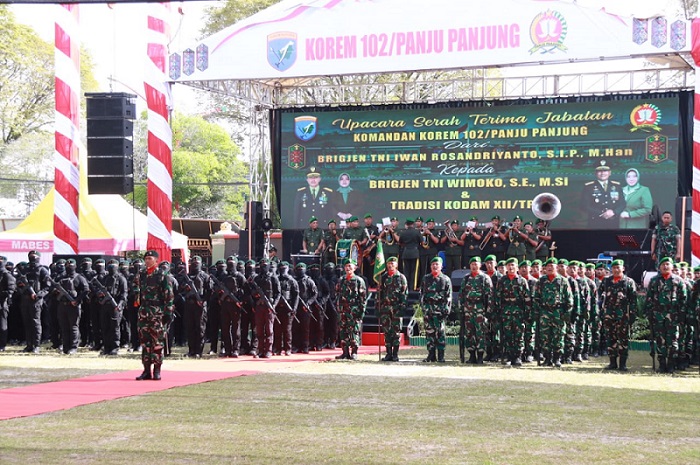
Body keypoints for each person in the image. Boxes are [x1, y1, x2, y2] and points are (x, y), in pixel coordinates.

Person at [134, 250, 174, 381]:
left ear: (156, 260)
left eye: (150, 258)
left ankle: (157, 370)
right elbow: (136, 290)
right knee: (145, 342)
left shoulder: (163, 275)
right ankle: (146, 370)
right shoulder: (141, 275)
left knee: (157, 342)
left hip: (157, 312)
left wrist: (168, 312)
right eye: (145, 259)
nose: (147, 261)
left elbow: (169, 295)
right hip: (144, 311)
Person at [645, 256, 687, 373]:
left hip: (673, 317)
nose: (665, 266)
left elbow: (683, 299)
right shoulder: (654, 281)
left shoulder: (678, 281)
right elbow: (649, 299)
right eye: (663, 265)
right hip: (658, 316)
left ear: (672, 266)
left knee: (673, 342)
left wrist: (681, 316)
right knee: (660, 341)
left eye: (668, 264)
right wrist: (649, 313)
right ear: (659, 267)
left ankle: (671, 364)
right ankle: (662, 364)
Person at [533, 257, 573, 367]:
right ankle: (547, 358)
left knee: (558, 336)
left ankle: (557, 358)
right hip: (545, 312)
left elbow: (569, 298)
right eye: (548, 266)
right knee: (545, 336)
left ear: (556, 267)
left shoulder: (563, 281)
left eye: (552, 266)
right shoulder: (541, 281)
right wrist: (536, 312)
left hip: (558, 312)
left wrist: (567, 313)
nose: (550, 268)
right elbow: (536, 297)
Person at [598, 259, 637, 371]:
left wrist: (632, 315)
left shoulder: (628, 281)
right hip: (609, 315)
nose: (615, 270)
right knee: (610, 338)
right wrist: (601, 311)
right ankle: (612, 363)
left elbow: (633, 300)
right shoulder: (606, 281)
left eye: (618, 267)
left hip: (623, 316)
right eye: (614, 268)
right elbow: (600, 296)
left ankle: (622, 364)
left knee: (623, 339)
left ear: (623, 268)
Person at [494, 257, 531, 366]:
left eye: (513, 265)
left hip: (518, 311)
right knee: (507, 334)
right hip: (506, 311)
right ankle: (509, 356)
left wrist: (527, 313)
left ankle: (518, 356)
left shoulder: (522, 281)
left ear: (517, 268)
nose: (511, 267)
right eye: (509, 265)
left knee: (519, 335)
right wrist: (498, 311)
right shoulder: (502, 281)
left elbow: (527, 298)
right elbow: (497, 297)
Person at [457, 256, 493, 364]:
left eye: (476, 264)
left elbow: (490, 295)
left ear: (480, 265)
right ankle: (472, 355)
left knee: (480, 333)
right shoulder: (466, 278)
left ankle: (481, 355)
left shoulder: (485, 278)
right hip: (468, 309)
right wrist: (461, 308)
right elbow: (461, 295)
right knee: (469, 333)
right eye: (472, 264)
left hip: (480, 309)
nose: (474, 266)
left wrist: (488, 311)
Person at [420, 256, 452, 363]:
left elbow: (448, 297)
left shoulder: (446, 279)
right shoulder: (426, 278)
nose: (435, 266)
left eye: (437, 264)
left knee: (440, 334)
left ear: (441, 266)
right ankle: (431, 355)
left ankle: (441, 356)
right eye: (433, 264)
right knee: (429, 334)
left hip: (440, 311)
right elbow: (422, 295)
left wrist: (446, 310)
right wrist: (424, 308)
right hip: (429, 310)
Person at [54, 258, 89, 355]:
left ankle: (73, 347)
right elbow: (53, 289)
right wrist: (57, 292)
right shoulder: (61, 277)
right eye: (68, 266)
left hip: (73, 306)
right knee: (64, 327)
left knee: (73, 327)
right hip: (62, 305)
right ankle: (66, 347)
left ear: (75, 266)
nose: (69, 267)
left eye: (71, 265)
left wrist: (77, 300)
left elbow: (86, 290)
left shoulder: (79, 278)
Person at [18, 250, 50, 353]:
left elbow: (48, 287)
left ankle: (36, 345)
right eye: (31, 256)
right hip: (25, 300)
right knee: (27, 323)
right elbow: (18, 283)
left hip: (36, 300)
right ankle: (29, 345)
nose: (33, 257)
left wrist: (38, 295)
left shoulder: (42, 270)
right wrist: (22, 287)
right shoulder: (25, 270)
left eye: (35, 256)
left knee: (35, 323)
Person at [335, 258, 367, 360]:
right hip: (343, 311)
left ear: (354, 267)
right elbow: (337, 294)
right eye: (346, 266)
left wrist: (361, 312)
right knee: (343, 331)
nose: (348, 268)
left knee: (354, 332)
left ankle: (354, 352)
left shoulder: (359, 281)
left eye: (350, 266)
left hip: (354, 311)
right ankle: (345, 352)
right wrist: (339, 308)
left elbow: (363, 298)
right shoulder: (341, 280)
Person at [377, 256, 408, 362]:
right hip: (385, 309)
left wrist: (402, 308)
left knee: (396, 332)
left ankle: (395, 354)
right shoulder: (384, 277)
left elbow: (404, 294)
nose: (390, 265)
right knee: (387, 332)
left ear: (396, 265)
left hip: (396, 309)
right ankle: (388, 353)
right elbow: (379, 293)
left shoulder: (401, 278)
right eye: (389, 263)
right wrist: (378, 307)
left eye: (392, 263)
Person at [251, 258, 281, 358]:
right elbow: (252, 292)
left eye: (265, 265)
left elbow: (278, 293)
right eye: (262, 265)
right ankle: (260, 350)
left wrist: (273, 305)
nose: (264, 267)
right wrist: (256, 295)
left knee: (269, 329)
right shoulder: (257, 278)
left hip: (269, 307)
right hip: (259, 306)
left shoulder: (273, 278)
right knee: (259, 330)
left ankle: (268, 350)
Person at [97, 260, 128, 356]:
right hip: (105, 305)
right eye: (110, 265)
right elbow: (99, 291)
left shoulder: (121, 279)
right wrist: (100, 295)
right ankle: (107, 347)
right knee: (105, 326)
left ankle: (115, 347)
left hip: (115, 306)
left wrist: (119, 304)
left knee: (114, 327)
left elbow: (124, 293)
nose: (111, 267)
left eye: (113, 265)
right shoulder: (105, 278)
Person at [581, 161, 625, 228]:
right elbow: (584, 205)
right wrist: (601, 213)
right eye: (599, 171)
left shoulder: (617, 186)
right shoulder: (588, 187)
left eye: (605, 171)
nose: (602, 173)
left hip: (613, 222)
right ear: (595, 173)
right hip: (595, 222)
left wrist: (614, 212)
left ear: (610, 173)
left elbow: (622, 203)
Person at [274, 262, 298, 356]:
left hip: (288, 308)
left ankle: (288, 348)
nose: (283, 270)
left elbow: (296, 296)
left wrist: (294, 308)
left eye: (284, 268)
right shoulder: (276, 280)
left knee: (287, 330)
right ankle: (278, 348)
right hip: (277, 308)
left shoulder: (292, 281)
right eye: (281, 268)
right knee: (277, 329)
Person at [399, 217, 422, 291]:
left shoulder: (403, 232)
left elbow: (400, 242)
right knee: (414, 272)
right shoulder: (416, 232)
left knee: (406, 271)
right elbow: (421, 241)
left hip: (405, 253)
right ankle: (413, 288)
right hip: (414, 253)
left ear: (407, 224)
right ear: (413, 224)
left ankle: (406, 288)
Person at [0, 256, 16, 352]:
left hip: (2, 303)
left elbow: (11, 290)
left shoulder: (6, 275)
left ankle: (2, 345)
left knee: (2, 325)